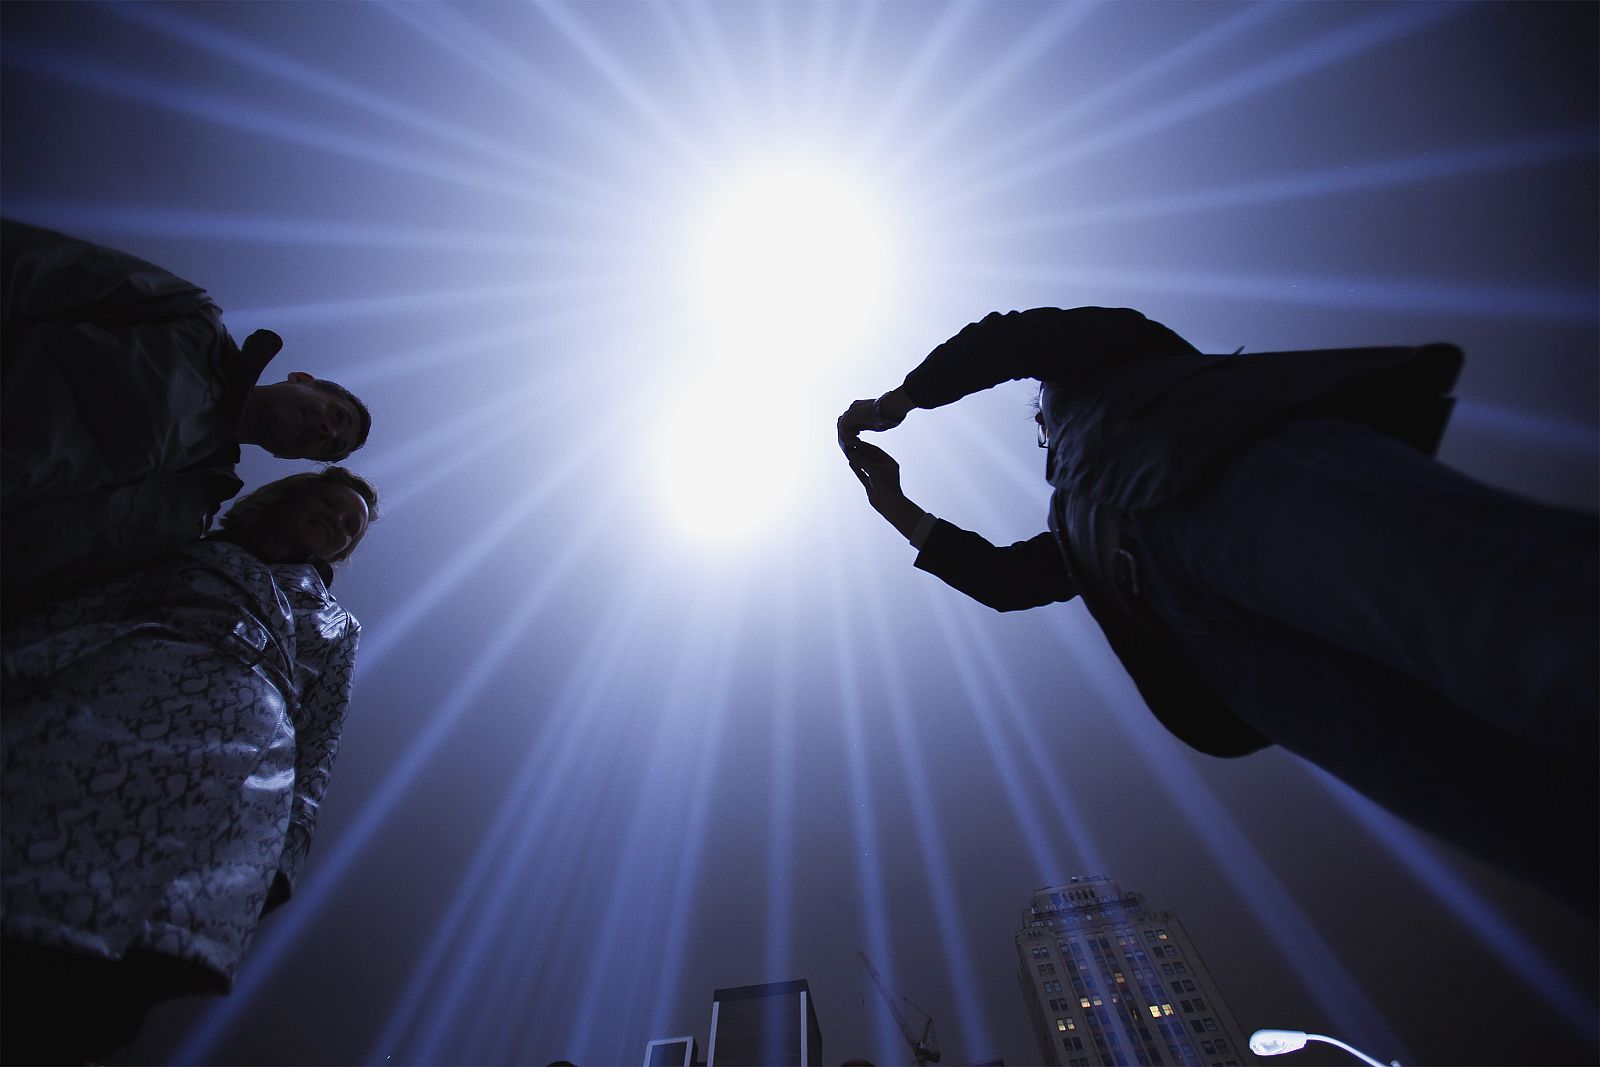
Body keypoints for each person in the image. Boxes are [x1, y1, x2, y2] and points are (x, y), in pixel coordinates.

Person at [838, 306, 1597, 910]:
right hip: (1228, 650)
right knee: (1484, 791)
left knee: (1508, 616)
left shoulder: (1127, 361)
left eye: (1039, 412)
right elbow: (1009, 582)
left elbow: (1011, 339)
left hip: (1231, 476)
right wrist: (895, 505)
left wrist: (898, 400)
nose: (1041, 428)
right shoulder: (1075, 514)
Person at [0, 466, 378, 1065]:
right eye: (333, 507)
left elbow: (322, 735)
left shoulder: (338, 625)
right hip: (107, 701)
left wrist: (286, 852)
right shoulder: (190, 548)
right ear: (291, 498)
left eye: (351, 529)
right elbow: (89, 605)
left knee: (118, 977)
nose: (338, 524)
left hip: (244, 764)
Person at [1, 218, 373, 609]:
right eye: (338, 416)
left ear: (290, 458)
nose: (327, 432)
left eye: (330, 447)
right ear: (302, 379)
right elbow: (36, 266)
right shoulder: (190, 324)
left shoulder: (186, 517)